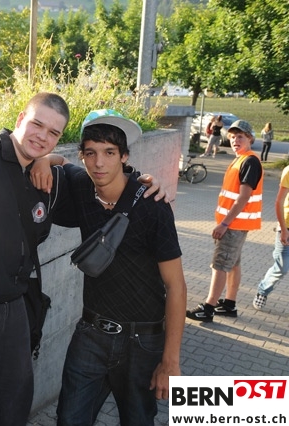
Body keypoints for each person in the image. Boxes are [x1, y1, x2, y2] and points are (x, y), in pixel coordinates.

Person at [0, 98, 167, 426]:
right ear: (20, 118)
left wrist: (46, 159)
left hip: (18, 307)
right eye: (37, 124)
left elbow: (98, 178)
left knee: (14, 403)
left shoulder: (54, 179)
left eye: (53, 133)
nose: (42, 136)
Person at [36, 109, 186, 426]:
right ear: (82, 156)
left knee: (137, 420)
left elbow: (176, 286)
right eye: (90, 153)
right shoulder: (82, 185)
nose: (99, 163)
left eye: (109, 152)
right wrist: (42, 160)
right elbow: (61, 163)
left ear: (124, 156)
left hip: (142, 342)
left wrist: (170, 361)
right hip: (91, 334)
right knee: (69, 419)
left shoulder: (152, 205)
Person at [186, 120, 263, 322]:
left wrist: (224, 224)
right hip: (236, 224)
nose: (236, 140)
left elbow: (243, 197)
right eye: (233, 137)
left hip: (233, 225)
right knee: (233, 263)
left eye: (240, 137)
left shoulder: (249, 161)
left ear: (250, 138)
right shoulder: (242, 159)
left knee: (219, 264)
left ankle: (208, 308)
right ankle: (229, 304)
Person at [253, 164, 289, 310]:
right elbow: (279, 201)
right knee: (282, 267)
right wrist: (283, 229)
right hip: (287, 226)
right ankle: (263, 290)